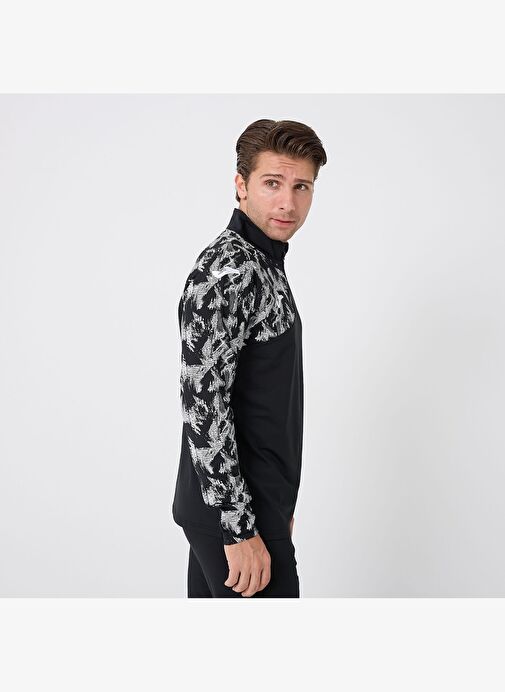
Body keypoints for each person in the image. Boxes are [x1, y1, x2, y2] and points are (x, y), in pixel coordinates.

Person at [172, 118, 327, 597]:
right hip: (235, 519)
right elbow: (203, 403)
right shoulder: (229, 270)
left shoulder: (264, 262)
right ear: (241, 185)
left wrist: (278, 506)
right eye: (272, 183)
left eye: (302, 187)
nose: (288, 203)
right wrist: (239, 528)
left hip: (251, 509)